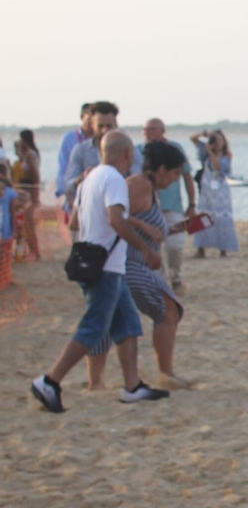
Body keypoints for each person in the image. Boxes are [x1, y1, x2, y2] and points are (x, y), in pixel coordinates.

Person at [29, 131, 170, 412]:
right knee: (93, 327)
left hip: (98, 263)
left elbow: (74, 222)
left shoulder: (89, 179)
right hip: (105, 267)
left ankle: (132, 386)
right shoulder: (114, 179)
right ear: (127, 154)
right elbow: (116, 220)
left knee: (127, 325)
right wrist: (145, 249)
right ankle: (50, 380)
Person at [85, 140, 192, 390]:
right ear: (162, 169)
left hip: (132, 261)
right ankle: (165, 374)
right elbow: (113, 215)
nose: (176, 180)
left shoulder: (149, 188)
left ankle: (96, 382)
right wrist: (144, 231)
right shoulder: (139, 185)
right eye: (175, 173)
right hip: (129, 262)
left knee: (107, 319)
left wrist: (175, 228)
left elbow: (146, 224)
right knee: (168, 310)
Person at [143, 119, 196, 290]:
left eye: (152, 129)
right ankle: (160, 283)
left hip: (173, 205)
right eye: (146, 129)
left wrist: (192, 204)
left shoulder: (175, 149)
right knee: (153, 246)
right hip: (149, 207)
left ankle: (176, 276)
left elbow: (187, 176)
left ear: (162, 130)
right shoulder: (140, 151)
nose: (148, 132)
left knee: (175, 245)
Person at [191, 130, 238, 257]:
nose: (218, 143)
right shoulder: (205, 152)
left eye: (220, 140)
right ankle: (201, 249)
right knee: (203, 216)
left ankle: (223, 249)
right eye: (215, 140)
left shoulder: (226, 155)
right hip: (207, 190)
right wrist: (203, 135)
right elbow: (193, 139)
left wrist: (212, 153)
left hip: (221, 191)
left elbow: (218, 168)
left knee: (221, 218)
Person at [65, 102, 119, 202]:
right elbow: (68, 186)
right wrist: (82, 178)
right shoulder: (81, 150)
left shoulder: (128, 150)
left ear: (116, 124)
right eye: (100, 126)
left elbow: (138, 182)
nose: (104, 131)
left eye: (109, 126)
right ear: (92, 125)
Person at [55, 103, 93, 220]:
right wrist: (64, 193)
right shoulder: (69, 138)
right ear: (82, 117)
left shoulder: (102, 139)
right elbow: (63, 167)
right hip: (74, 195)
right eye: (89, 117)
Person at [11, 130, 43, 261]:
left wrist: (36, 194)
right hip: (26, 190)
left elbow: (35, 174)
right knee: (25, 224)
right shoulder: (29, 154)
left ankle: (36, 252)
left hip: (28, 191)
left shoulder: (30, 154)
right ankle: (31, 250)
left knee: (29, 223)